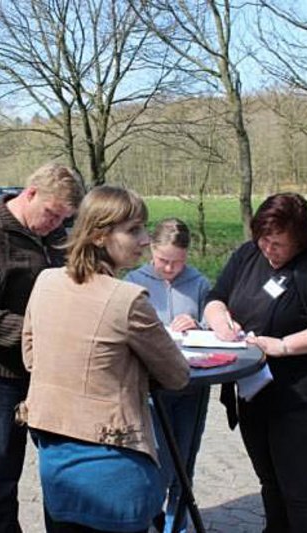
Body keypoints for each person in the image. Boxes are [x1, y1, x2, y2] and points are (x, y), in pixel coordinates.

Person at [18, 186, 191, 533]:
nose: (144, 240)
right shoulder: (126, 299)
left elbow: (31, 357)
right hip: (114, 460)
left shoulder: (46, 280)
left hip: (56, 456)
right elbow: (176, 375)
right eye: (133, 230)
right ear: (99, 235)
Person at [203, 193, 307, 533]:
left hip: (301, 398)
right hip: (253, 393)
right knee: (269, 482)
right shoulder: (247, 256)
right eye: (264, 240)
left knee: (299, 492)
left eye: (279, 244)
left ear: (299, 241)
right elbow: (215, 298)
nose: (269, 249)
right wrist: (222, 323)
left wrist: (283, 346)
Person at [0, 163, 85, 533]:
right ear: (30, 194)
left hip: (50, 373)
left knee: (60, 463)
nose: (56, 224)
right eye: (52, 214)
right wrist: (34, 334)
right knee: (3, 467)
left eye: (64, 218)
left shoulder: (53, 234)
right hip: (3, 375)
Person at [124, 218, 212, 533]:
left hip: (192, 388)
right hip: (151, 391)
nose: (171, 269)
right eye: (163, 261)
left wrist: (199, 325)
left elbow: (215, 327)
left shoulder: (199, 283)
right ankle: (150, 519)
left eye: (178, 262)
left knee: (185, 460)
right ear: (151, 250)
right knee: (158, 462)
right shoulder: (133, 282)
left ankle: (177, 524)